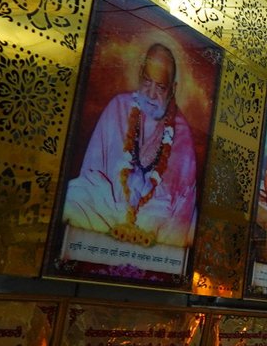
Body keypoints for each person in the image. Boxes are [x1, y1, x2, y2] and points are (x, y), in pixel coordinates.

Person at [63, 42, 198, 250]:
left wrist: (146, 208)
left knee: (176, 225)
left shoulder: (182, 133)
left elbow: (182, 202)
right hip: (107, 206)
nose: (151, 94)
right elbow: (91, 173)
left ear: (173, 89)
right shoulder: (118, 107)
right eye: (147, 81)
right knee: (74, 198)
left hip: (152, 218)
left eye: (160, 87)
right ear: (139, 76)